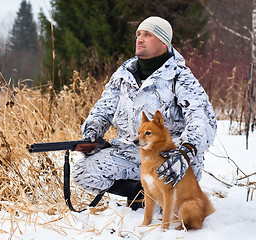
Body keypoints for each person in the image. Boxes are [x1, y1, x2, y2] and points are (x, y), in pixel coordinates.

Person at [72, 16, 217, 210]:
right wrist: (91, 135)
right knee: (83, 172)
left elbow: (202, 117)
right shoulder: (123, 74)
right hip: (130, 151)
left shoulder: (179, 76)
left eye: (147, 35)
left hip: (170, 156)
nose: (139, 39)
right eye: (138, 34)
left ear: (163, 42)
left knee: (179, 196)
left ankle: (163, 193)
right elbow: (103, 108)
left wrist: (186, 151)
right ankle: (138, 192)